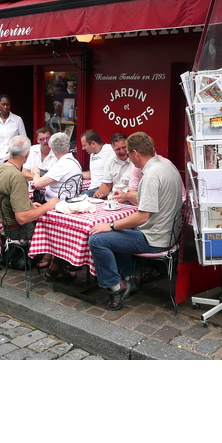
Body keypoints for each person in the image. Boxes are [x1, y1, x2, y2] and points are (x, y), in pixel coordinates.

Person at [88, 131, 183, 311]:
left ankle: (116, 288)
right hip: (169, 234)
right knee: (118, 234)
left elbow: (142, 217)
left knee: (98, 239)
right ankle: (130, 279)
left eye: (129, 153)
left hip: (155, 239)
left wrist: (110, 225)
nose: (129, 159)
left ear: (136, 153)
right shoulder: (167, 167)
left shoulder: (151, 175)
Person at [0, 135, 73, 281]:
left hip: (7, 227)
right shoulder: (17, 176)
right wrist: (49, 205)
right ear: (26, 155)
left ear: (9, 151)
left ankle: (55, 267)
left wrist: (29, 206)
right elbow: (22, 218)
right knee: (62, 229)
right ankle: (53, 269)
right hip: (20, 231)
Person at [31, 132, 82, 201]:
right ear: (69, 146)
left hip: (58, 202)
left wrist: (36, 172)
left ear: (53, 150)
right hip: (72, 198)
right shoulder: (75, 161)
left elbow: (37, 184)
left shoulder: (62, 164)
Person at [0, 94, 27, 162]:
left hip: (14, 156)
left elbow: (24, 138)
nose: (5, 107)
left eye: (8, 104)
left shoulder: (17, 119)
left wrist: (16, 150)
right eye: (3, 104)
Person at [92, 133, 132, 200]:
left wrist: (125, 198)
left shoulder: (135, 160)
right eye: (118, 149)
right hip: (113, 198)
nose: (122, 151)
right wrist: (100, 193)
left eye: (124, 147)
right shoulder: (110, 160)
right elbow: (107, 184)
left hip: (129, 199)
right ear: (113, 149)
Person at [80, 129, 114, 196]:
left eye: (84, 145)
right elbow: (94, 173)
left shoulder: (109, 149)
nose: (83, 148)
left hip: (102, 189)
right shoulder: (92, 154)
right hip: (91, 189)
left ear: (93, 143)